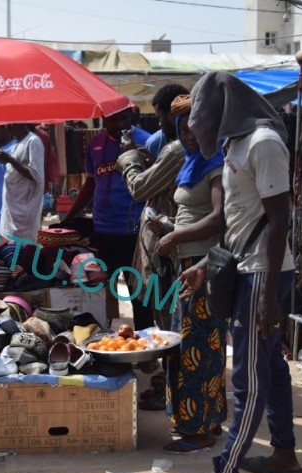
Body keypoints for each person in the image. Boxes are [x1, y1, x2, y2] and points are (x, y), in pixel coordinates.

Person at [172, 71, 301, 473]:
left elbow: (279, 218)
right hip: (245, 266)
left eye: (202, 118)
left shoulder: (263, 142)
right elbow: (240, 221)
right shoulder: (236, 143)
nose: (200, 128)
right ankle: (284, 453)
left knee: (249, 377)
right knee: (273, 368)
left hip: (263, 273)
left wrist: (266, 298)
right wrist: (208, 264)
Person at [149, 94, 228, 453]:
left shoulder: (214, 161)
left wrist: (177, 235)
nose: (191, 133)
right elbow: (190, 213)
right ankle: (207, 421)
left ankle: (199, 431)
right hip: (187, 264)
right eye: (184, 127)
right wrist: (168, 227)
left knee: (196, 346)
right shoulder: (192, 162)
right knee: (197, 344)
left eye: (197, 126)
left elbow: (219, 217)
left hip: (203, 267)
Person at [115, 84, 188, 411]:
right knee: (168, 322)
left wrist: (129, 157)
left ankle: (173, 389)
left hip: (167, 252)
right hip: (167, 247)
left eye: (161, 117)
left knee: (169, 324)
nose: (159, 125)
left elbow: (140, 187)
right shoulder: (180, 148)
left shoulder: (177, 150)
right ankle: (171, 384)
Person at [64, 107, 155, 331]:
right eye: (113, 119)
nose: (118, 124)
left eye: (123, 118)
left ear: (132, 117)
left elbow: (154, 182)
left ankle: (147, 349)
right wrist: (71, 215)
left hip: (133, 231)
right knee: (100, 291)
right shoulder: (95, 144)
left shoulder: (147, 141)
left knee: (139, 293)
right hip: (103, 231)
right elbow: (91, 183)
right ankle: (102, 343)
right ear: (104, 119)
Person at [0, 124, 45, 243]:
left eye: (9, 124)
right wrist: (6, 160)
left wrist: (10, 160)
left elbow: (35, 175)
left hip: (24, 217)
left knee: (22, 256)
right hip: (11, 213)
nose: (7, 128)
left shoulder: (33, 142)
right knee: (9, 254)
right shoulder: (17, 144)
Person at [35, 124, 60, 193]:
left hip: (41, 191)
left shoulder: (42, 136)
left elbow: (51, 161)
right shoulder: (14, 137)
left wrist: (55, 181)